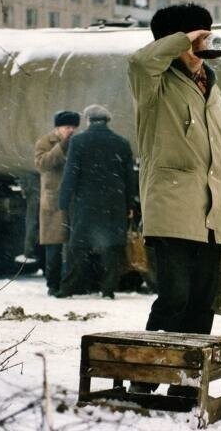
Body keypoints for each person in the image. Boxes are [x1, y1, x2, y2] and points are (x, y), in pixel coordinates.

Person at [127, 4, 221, 332]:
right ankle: (146, 380)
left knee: (203, 304)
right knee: (174, 298)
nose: (200, 48)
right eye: (195, 40)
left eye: (205, 38)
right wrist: (183, 38)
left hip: (213, 213)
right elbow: (139, 61)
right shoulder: (153, 85)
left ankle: (187, 381)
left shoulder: (212, 88)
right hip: (172, 209)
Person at [56, 105, 134, 299]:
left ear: (88, 120)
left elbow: (71, 173)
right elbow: (129, 178)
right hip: (114, 202)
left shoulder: (79, 141)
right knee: (112, 246)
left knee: (78, 246)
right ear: (107, 121)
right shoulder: (122, 143)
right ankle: (108, 289)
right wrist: (130, 205)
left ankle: (68, 288)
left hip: (86, 202)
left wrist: (64, 200)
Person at [34, 110, 78, 295]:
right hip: (54, 200)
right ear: (58, 128)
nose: (71, 131)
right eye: (67, 127)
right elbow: (42, 164)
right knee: (54, 244)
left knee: (73, 245)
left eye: (73, 127)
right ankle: (52, 284)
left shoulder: (77, 141)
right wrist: (61, 147)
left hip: (73, 199)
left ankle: (70, 283)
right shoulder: (45, 142)